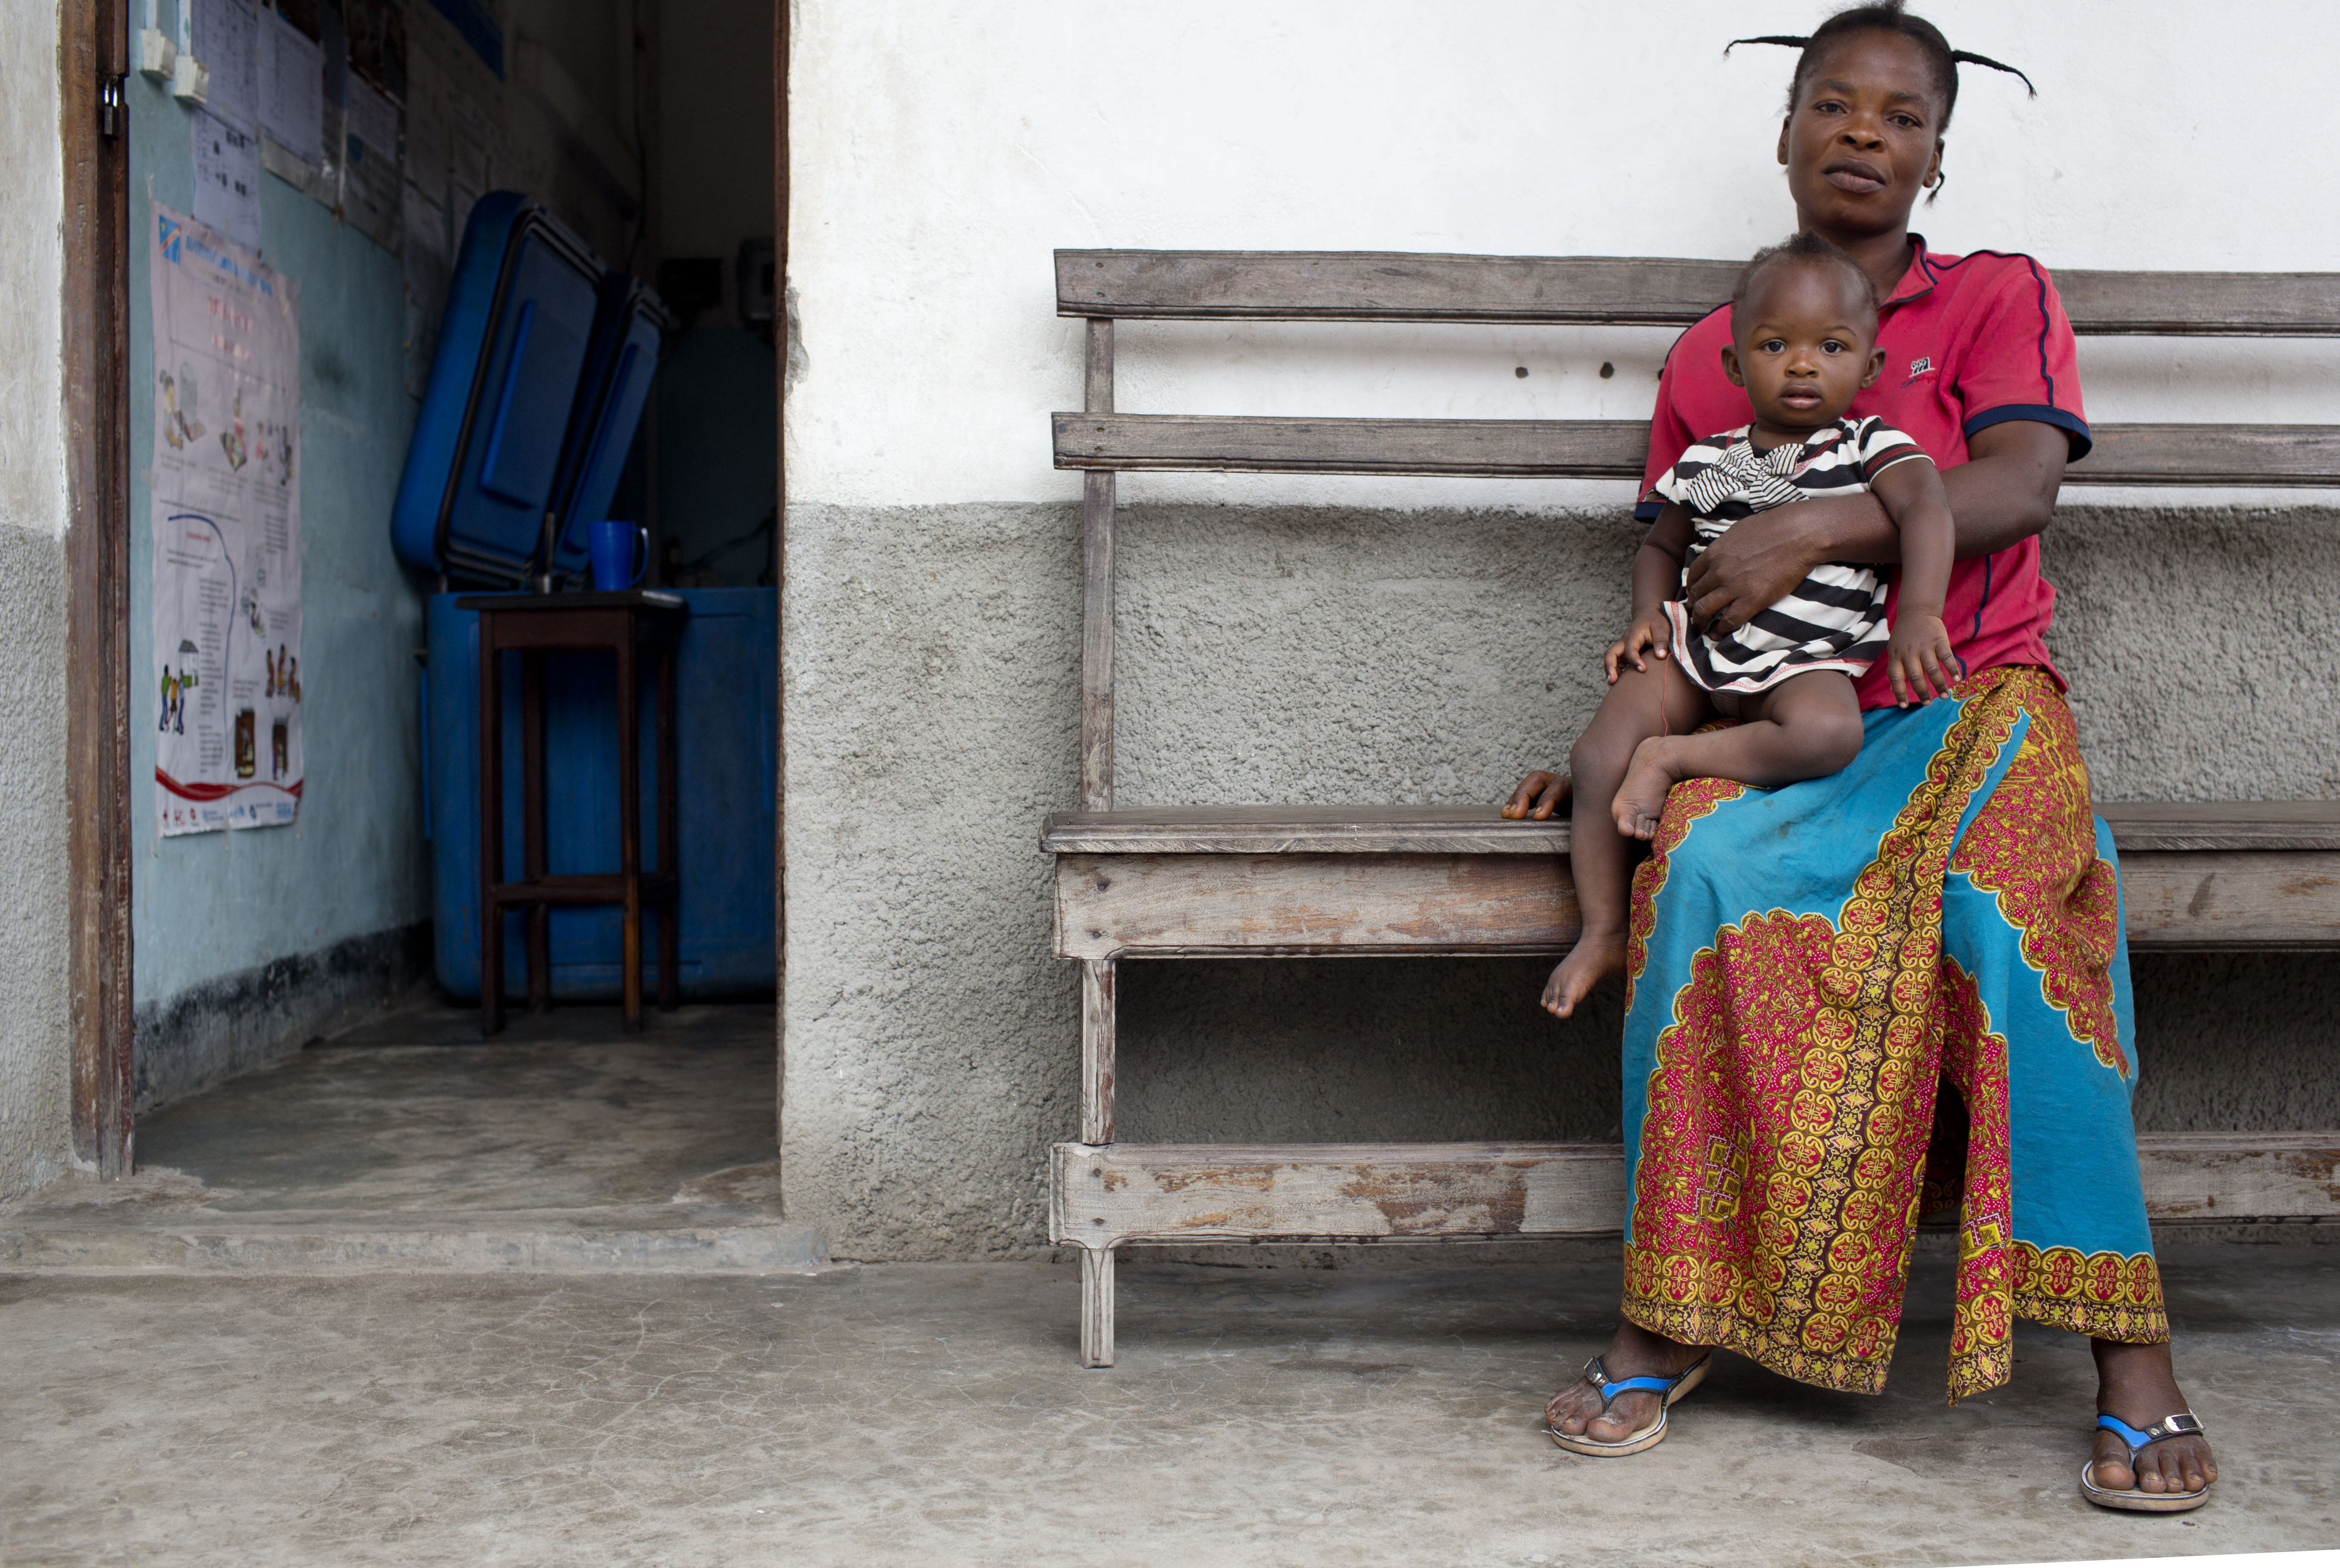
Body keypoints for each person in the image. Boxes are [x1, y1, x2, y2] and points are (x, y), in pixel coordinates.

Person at [1501, 0, 2218, 1511]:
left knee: (2013, 904)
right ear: (1784, 132)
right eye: (1834, 105)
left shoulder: (1996, 297)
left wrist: (1818, 524)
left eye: (1901, 116)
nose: (1862, 134)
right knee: (1692, 863)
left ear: (1938, 157)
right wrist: (1624, 726)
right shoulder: (1717, 349)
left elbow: (2019, 482)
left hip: (1973, 698)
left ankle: (2129, 1355)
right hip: (1784, 720)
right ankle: (1665, 1319)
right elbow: (1679, 565)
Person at [1543, 232, 1957, 1020]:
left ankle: (1673, 758)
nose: (1802, 364)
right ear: (1736, 366)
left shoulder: (1872, 447)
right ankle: (1600, 929)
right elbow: (1661, 545)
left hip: (1804, 659)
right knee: (1597, 753)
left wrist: (1919, 614)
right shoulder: (1711, 458)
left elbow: (1928, 514)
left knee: (1828, 734)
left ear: (1869, 367)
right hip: (1697, 654)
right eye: (1775, 345)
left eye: (1831, 346)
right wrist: (1644, 619)